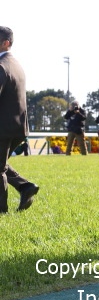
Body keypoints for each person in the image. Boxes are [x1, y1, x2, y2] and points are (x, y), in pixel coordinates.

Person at [0, 26, 40, 213]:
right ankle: (25, 186)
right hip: (17, 127)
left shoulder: (2, 65)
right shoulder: (15, 64)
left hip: (3, 127)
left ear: (6, 43)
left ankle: (1, 211)